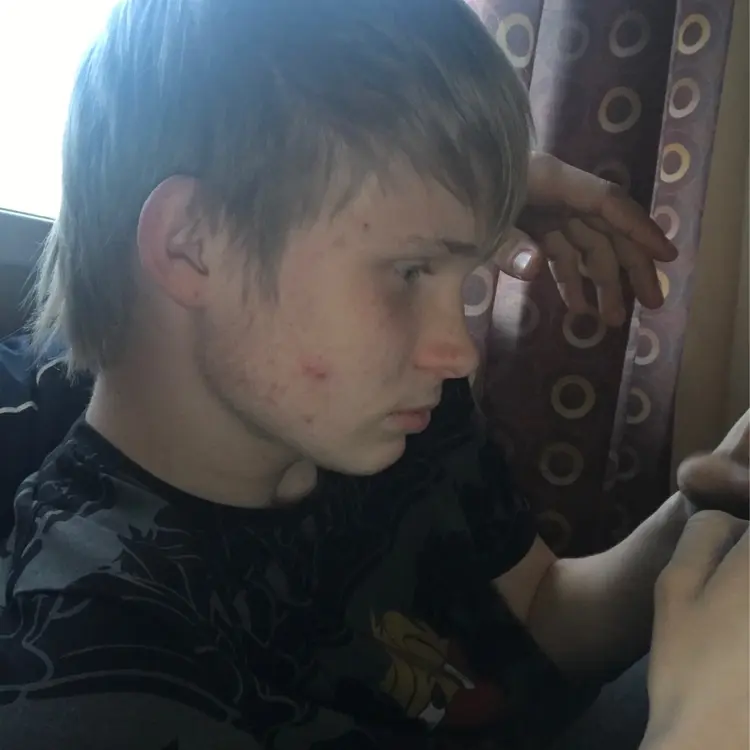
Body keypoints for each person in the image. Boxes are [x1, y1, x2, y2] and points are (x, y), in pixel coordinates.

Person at [0, 1, 747, 748]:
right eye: (412, 271)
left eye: (460, 277)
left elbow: (537, 610)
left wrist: (703, 520)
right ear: (194, 244)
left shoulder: (387, 414)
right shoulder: (91, 672)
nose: (458, 353)